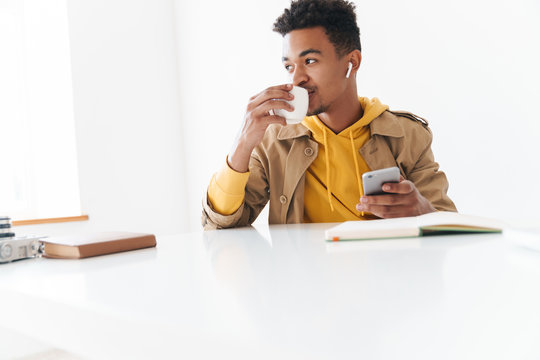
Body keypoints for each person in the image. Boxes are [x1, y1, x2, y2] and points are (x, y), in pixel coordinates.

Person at [202, 0, 456, 229]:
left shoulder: (407, 135)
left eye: (309, 61)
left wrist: (423, 210)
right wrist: (243, 143)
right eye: (289, 66)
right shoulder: (274, 140)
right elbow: (220, 223)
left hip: (385, 277)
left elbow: (451, 226)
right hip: (302, 278)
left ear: (352, 62)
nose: (296, 78)